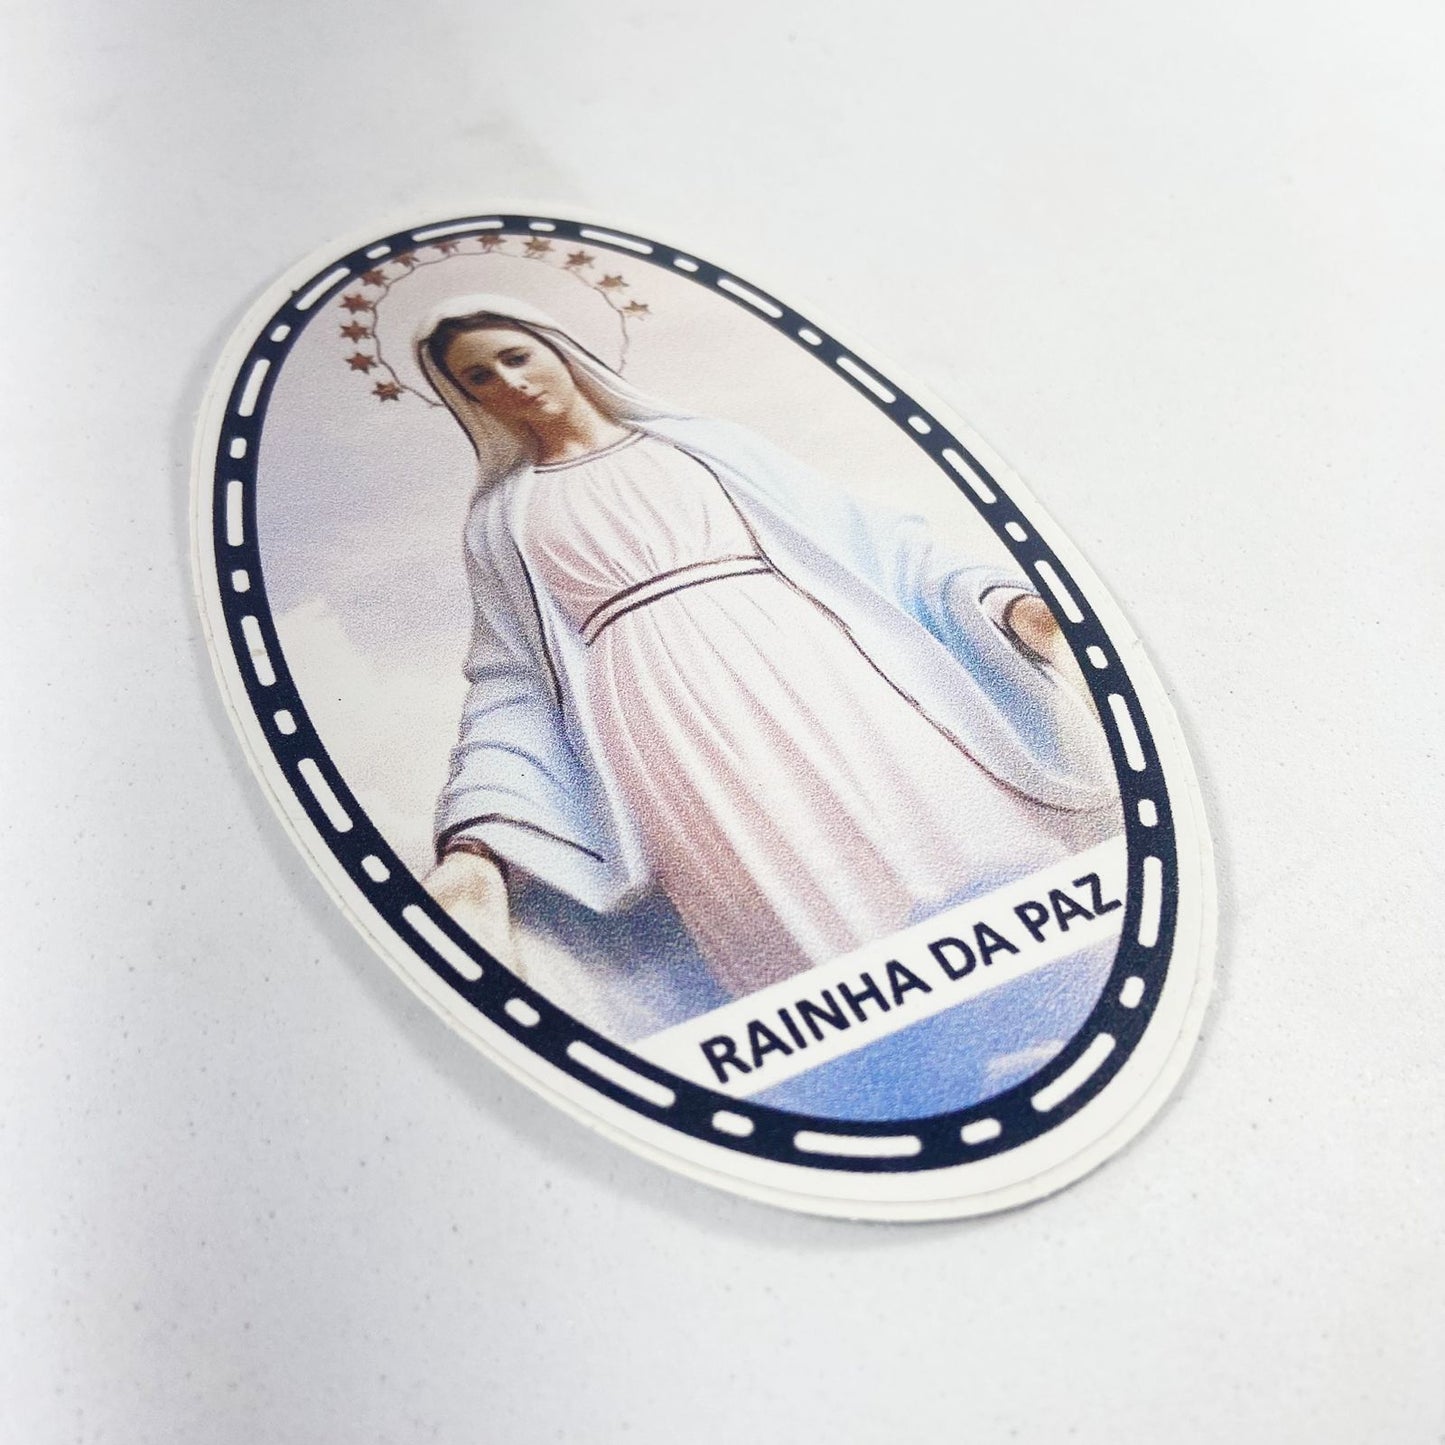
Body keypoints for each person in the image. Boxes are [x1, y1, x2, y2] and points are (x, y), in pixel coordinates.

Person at [417, 293, 1121, 1016]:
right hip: (663, 725)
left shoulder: (704, 446)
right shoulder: (500, 521)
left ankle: (1061, 992)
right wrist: (476, 847)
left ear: (558, 349)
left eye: (516, 356)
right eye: (479, 378)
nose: (509, 382)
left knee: (939, 829)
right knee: (789, 896)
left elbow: (883, 549)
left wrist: (1016, 609)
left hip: (817, 664)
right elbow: (511, 684)